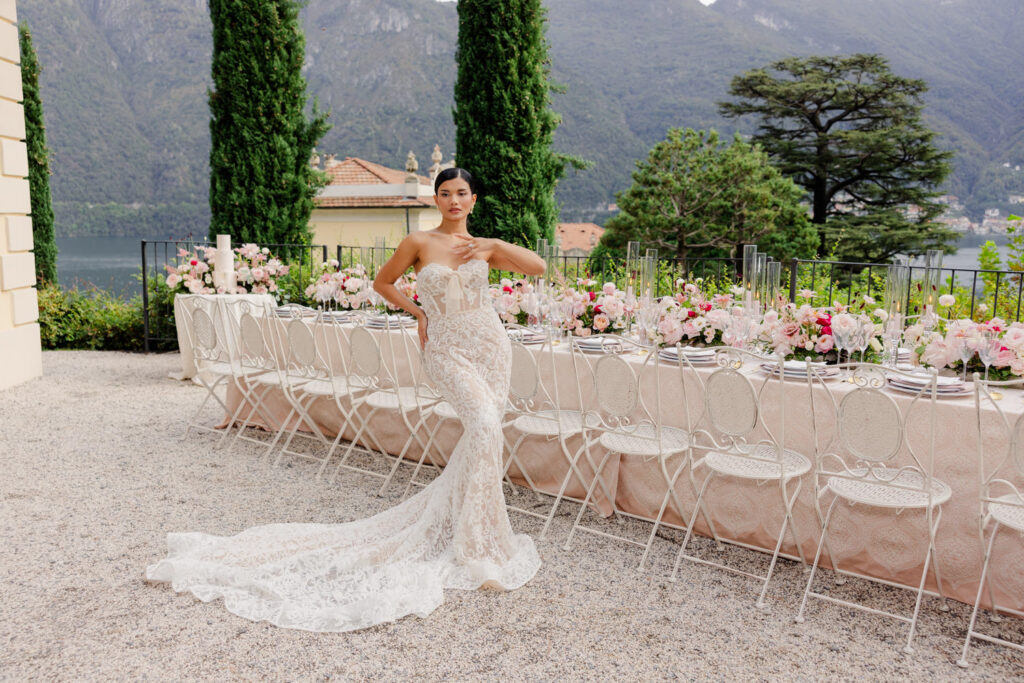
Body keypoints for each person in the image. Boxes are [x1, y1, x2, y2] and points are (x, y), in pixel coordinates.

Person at [146, 168, 546, 632]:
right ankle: (474, 543)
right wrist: (419, 312)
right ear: (435, 199)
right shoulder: (419, 242)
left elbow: (536, 266)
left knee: (486, 434)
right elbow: (384, 283)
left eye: (461, 194)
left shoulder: (484, 247)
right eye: (444, 194)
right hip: (446, 348)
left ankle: (479, 535)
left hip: (491, 345)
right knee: (484, 426)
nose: (453, 201)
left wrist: (492, 245)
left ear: (473, 199)